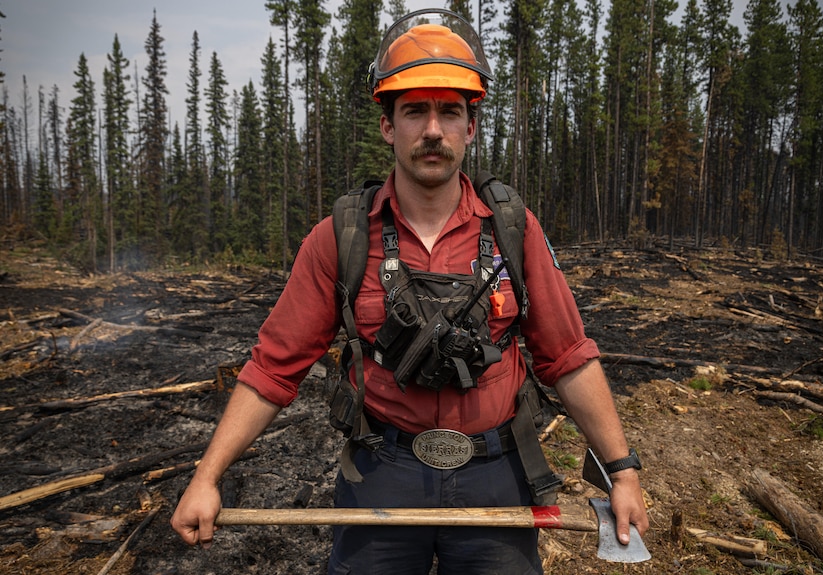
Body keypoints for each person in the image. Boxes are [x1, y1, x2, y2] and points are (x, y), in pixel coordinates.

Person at [171, 8, 649, 574]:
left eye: (450, 112)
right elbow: (274, 370)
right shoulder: (339, 239)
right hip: (382, 468)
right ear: (386, 124)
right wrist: (206, 478)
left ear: (470, 126)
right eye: (414, 110)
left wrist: (623, 472)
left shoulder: (513, 231)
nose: (432, 130)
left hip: (496, 472)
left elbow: (568, 358)